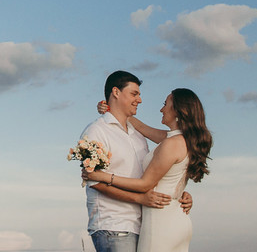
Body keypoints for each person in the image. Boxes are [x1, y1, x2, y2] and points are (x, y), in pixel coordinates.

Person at [84, 88, 213, 252]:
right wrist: (112, 109)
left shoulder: (172, 144)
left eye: (165, 104)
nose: (161, 109)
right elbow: (142, 127)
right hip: (177, 217)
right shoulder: (182, 140)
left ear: (178, 111)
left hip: (160, 221)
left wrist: (103, 176)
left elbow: (145, 184)